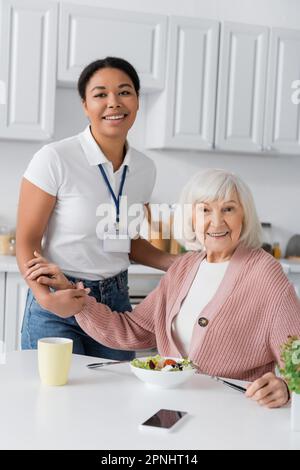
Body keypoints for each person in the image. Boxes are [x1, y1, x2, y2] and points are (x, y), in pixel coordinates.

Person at [25, 169, 300, 408]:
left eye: (228, 209)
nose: (216, 222)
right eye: (205, 210)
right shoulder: (184, 267)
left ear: (244, 216)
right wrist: (78, 300)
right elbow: (135, 331)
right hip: (171, 406)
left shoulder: (266, 274)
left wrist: (285, 388)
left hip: (233, 414)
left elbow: (295, 357)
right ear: (192, 218)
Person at [17, 57, 176, 359]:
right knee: (55, 401)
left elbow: (125, 240)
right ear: (85, 105)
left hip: (114, 303)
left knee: (114, 401)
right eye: (100, 94)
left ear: (138, 101)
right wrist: (46, 298)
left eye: (124, 92)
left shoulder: (144, 168)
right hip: (59, 295)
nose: (113, 102)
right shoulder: (54, 158)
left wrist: (178, 263)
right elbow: (27, 240)